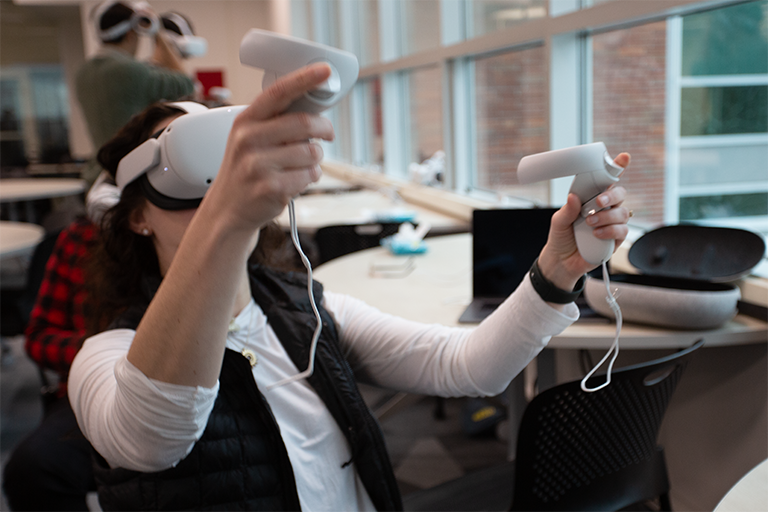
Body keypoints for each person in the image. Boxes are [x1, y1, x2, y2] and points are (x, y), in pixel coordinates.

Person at [67, 64, 631, 511]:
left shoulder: (305, 310)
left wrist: (558, 271)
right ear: (137, 217)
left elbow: (468, 366)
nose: (211, 194)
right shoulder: (106, 359)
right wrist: (228, 216)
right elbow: (156, 437)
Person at [2, 218, 97, 512]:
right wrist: (97, 349)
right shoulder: (84, 237)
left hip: (188, 387)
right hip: (89, 393)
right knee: (32, 468)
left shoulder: (205, 228)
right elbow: (39, 338)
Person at [76, 0, 195, 186]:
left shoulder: (83, 73)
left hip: (97, 176)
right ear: (131, 34)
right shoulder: (130, 71)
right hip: (129, 175)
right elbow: (186, 84)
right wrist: (158, 34)